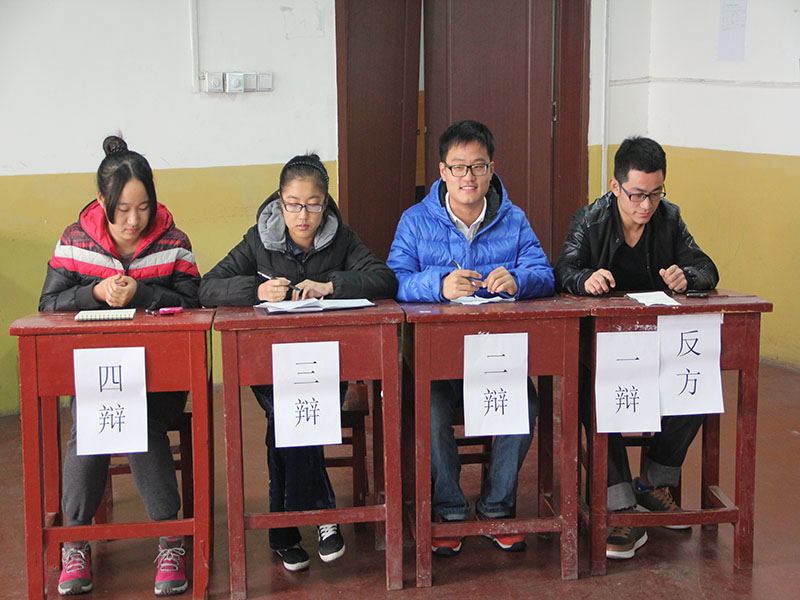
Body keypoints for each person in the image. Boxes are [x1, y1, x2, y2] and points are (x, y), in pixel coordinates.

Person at [198, 153, 397, 572]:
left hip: (326, 364)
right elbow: (208, 287)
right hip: (270, 365)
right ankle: (323, 515)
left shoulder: (341, 240)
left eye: (312, 205)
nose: (302, 215)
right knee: (292, 410)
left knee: (287, 418)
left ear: (325, 204)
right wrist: (257, 290)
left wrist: (331, 285)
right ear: (279, 201)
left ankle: (283, 530)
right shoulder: (259, 239)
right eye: (293, 204)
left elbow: (384, 279)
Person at [39, 135, 201, 596]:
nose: (134, 220)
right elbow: (48, 303)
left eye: (143, 207)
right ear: (101, 202)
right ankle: (76, 541)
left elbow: (195, 300)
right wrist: (93, 293)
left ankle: (169, 539)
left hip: (161, 381)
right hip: (98, 377)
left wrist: (144, 293)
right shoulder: (74, 241)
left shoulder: (174, 242)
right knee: (93, 417)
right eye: (123, 209)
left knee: (139, 417)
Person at [386, 119, 555, 556]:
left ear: (491, 170)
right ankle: (450, 509)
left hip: (496, 358)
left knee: (527, 404)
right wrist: (437, 285)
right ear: (443, 172)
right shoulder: (415, 221)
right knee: (430, 409)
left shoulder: (513, 220)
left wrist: (518, 281)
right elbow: (393, 280)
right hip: (436, 362)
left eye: (478, 167)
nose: (468, 177)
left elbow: (545, 273)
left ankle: (497, 506)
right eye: (458, 167)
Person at [555, 135, 719, 560]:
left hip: (659, 343)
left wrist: (688, 277)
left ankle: (652, 483)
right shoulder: (590, 220)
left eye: (656, 193)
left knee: (699, 380)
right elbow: (563, 270)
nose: (647, 205)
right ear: (616, 187)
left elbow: (707, 267)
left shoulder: (669, 218)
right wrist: (585, 279)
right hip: (605, 347)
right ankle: (618, 501)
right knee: (598, 390)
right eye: (637, 195)